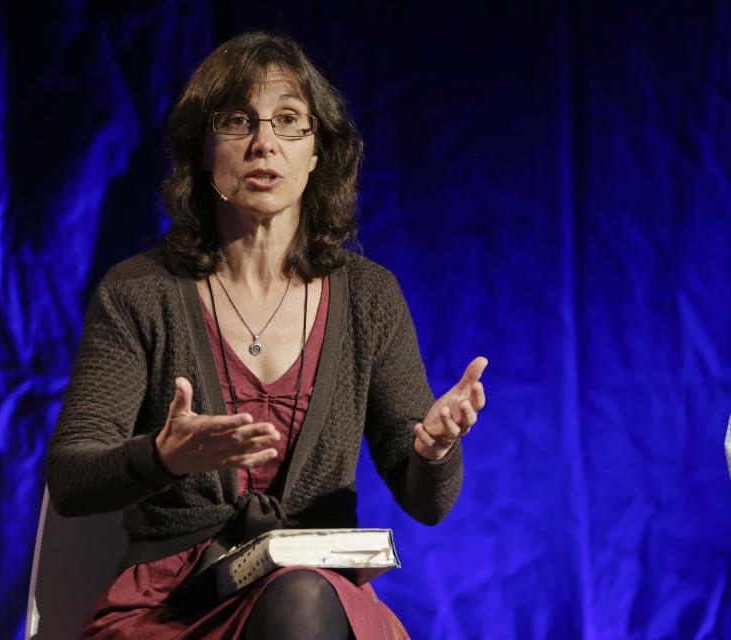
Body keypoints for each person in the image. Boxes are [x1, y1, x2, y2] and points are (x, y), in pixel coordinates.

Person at [46, 31, 487, 640]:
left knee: (300, 596)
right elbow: (70, 479)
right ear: (203, 150)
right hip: (174, 604)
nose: (263, 143)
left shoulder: (368, 296)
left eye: (288, 122)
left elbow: (428, 504)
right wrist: (162, 456)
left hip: (316, 591)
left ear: (316, 154)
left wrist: (434, 453)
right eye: (237, 122)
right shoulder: (139, 292)